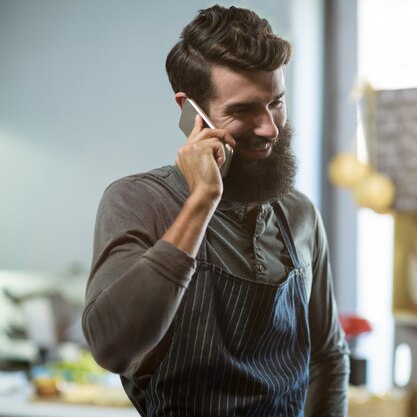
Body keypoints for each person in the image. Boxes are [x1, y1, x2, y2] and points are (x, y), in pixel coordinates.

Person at [81, 5, 349, 417]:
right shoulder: (138, 202)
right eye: (243, 111)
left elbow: (327, 356)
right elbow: (111, 348)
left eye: (275, 102)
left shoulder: (300, 215)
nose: (270, 129)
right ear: (192, 111)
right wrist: (202, 199)